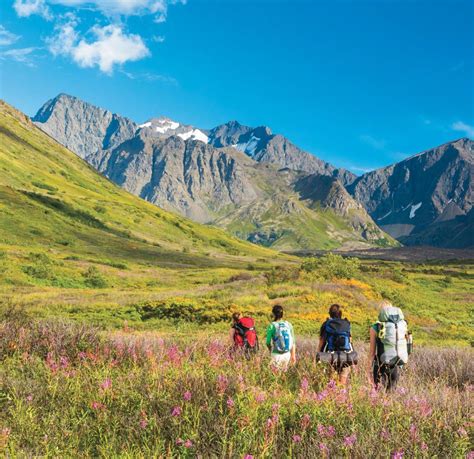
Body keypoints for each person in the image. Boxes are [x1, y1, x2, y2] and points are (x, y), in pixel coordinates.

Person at [368, 300, 409, 391]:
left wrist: (368, 371)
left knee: (377, 396)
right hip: (394, 365)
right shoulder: (400, 325)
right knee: (390, 395)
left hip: (380, 365)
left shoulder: (375, 327)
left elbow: (372, 352)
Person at [317, 304, 354, 385]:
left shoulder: (326, 324)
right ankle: (341, 396)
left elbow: (321, 341)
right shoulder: (346, 323)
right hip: (345, 356)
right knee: (342, 383)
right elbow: (350, 340)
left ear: (329, 313)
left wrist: (318, 356)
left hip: (330, 356)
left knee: (330, 382)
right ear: (340, 313)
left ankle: (331, 395)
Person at [266, 304, 296, 371]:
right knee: (283, 374)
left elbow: (268, 342)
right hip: (287, 354)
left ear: (273, 314)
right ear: (282, 314)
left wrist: (270, 350)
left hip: (276, 354)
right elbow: (293, 342)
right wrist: (293, 355)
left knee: (274, 375)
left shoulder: (272, 326)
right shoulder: (288, 324)